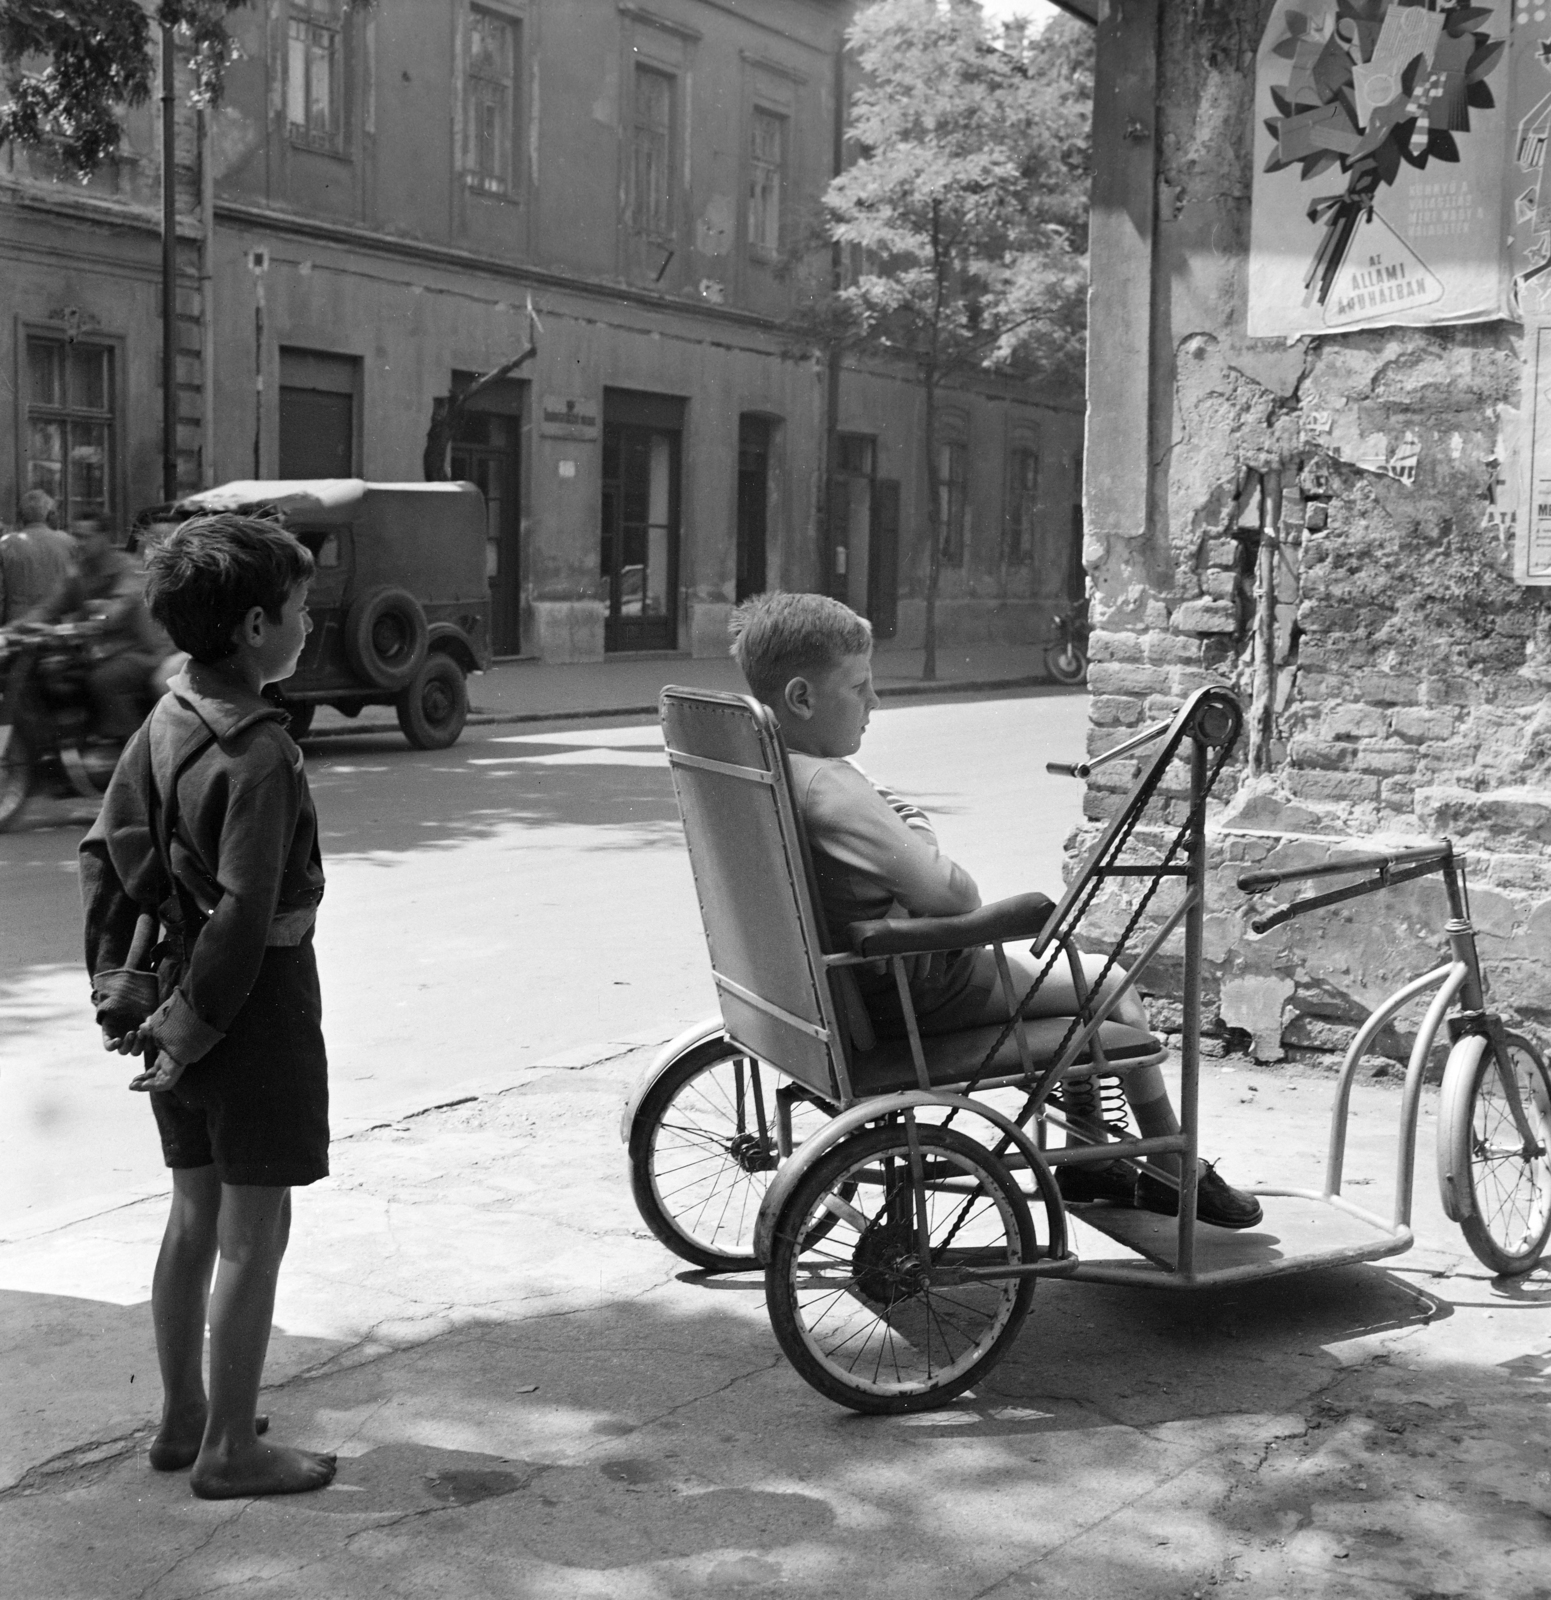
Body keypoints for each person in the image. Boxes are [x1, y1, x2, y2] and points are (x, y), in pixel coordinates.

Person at [728, 590, 1262, 1231]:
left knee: (1085, 987)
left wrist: (894, 828)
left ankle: (1093, 1154)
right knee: (1111, 983)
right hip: (917, 994)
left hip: (843, 992)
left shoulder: (769, 762)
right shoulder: (830, 785)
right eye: (860, 686)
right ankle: (1166, 1166)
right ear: (801, 698)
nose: (874, 703)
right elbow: (954, 896)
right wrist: (918, 827)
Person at [79, 513, 336, 1499]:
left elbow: (113, 856)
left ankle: (184, 1414)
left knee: (192, 1213)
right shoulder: (260, 754)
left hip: (171, 1007)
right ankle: (231, 1447)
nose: (310, 624)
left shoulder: (170, 712)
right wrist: (196, 1026)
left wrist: (129, 1001)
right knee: (253, 1236)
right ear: (256, 626)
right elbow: (246, 911)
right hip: (247, 1012)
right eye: (303, 609)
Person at [34, 516, 165, 741]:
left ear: (104, 538)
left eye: (86, 537)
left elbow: (121, 604)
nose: (79, 542)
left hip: (140, 651)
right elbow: (49, 606)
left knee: (105, 679)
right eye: (76, 536)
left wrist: (95, 622)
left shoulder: (127, 567)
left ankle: (131, 747)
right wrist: (12, 629)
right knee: (54, 671)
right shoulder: (79, 573)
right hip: (102, 653)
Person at [0, 489, 76, 623]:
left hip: (18, 621)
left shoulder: (6, 545)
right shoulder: (68, 542)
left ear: (21, 516)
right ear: (49, 515)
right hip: (59, 622)